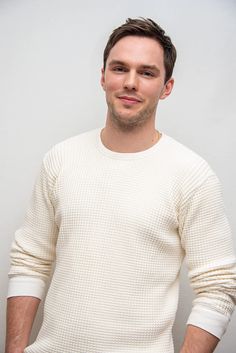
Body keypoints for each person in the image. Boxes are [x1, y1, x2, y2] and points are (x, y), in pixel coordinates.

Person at [5, 18, 236, 353]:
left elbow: (218, 287)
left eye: (146, 72)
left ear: (166, 87)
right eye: (119, 68)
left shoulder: (191, 175)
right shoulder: (61, 159)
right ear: (103, 77)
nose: (130, 83)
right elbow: (30, 259)